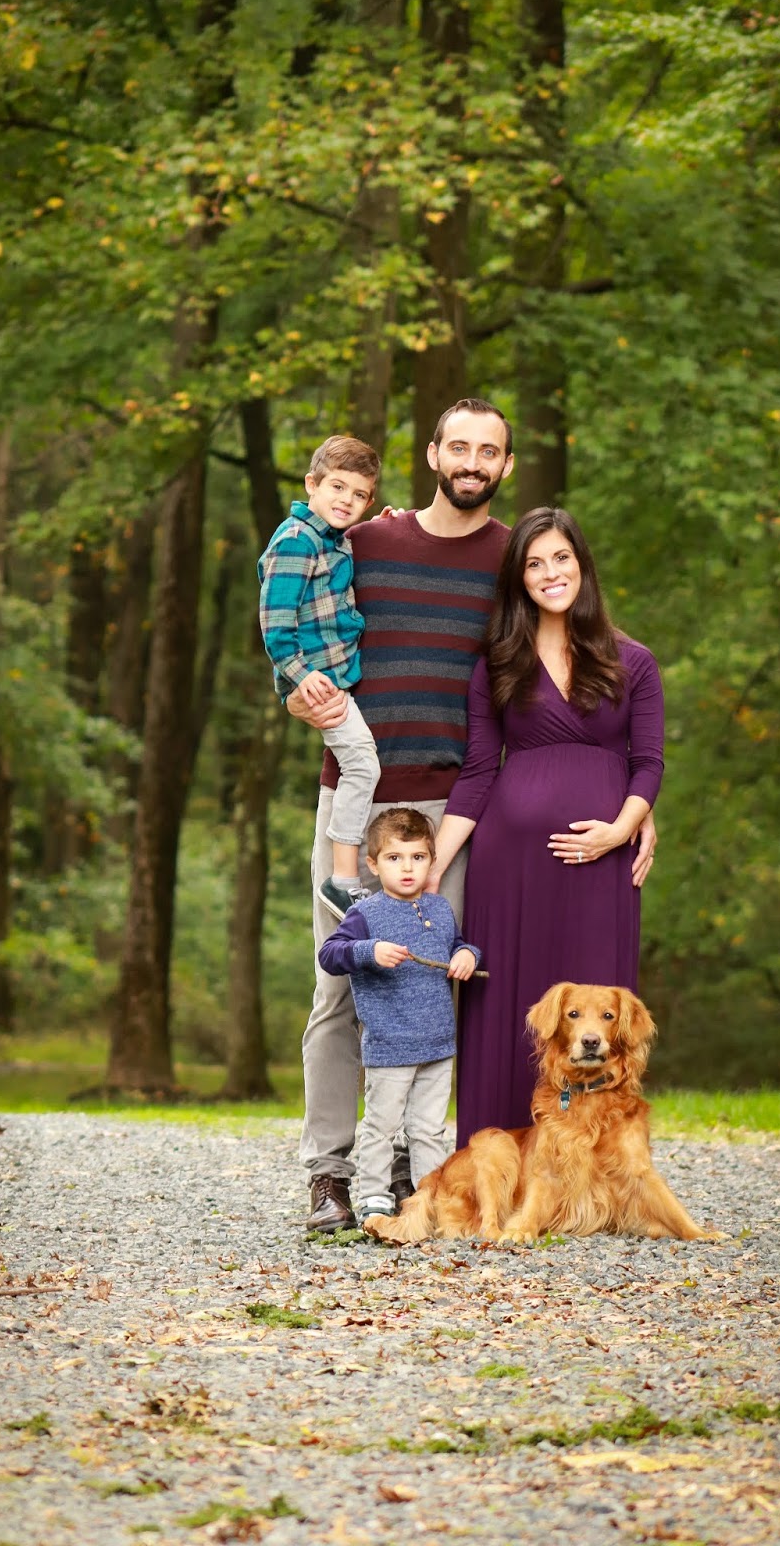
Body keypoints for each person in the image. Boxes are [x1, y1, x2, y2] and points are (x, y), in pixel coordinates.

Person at [289, 411, 658, 1231]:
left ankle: (414, 1165)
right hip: (358, 797)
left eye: (488, 451)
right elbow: (296, 615)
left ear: (506, 464)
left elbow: (588, 674)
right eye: (458, 446)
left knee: (443, 986)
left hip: (459, 808)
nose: (471, 461)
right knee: (343, 987)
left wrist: (637, 811)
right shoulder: (364, 541)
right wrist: (295, 690)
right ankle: (330, 1173)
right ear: (433, 454)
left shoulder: (513, 558)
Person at [428, 507, 664, 1147]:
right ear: (519, 578)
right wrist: (434, 864)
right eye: (534, 564)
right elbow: (479, 771)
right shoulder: (498, 663)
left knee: (597, 1018)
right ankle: (496, 1165)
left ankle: (596, 1169)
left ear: (582, 565)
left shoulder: (633, 662)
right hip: (509, 868)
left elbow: (648, 763)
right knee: (510, 1008)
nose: (550, 573)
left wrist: (620, 830)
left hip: (602, 869)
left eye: (561, 558)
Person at [317, 808, 480, 1222]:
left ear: (431, 861)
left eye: (417, 858)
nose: (407, 868)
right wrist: (368, 951)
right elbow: (330, 954)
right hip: (390, 1047)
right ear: (374, 865)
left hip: (437, 1045)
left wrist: (467, 954)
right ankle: (374, 1197)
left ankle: (430, 1201)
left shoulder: (439, 908)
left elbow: (457, 944)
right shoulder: (366, 915)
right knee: (381, 1126)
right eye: (394, 858)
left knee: (428, 1129)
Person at [257, 436, 382, 920]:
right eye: (337, 487)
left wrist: (385, 523)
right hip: (319, 681)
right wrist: (300, 675)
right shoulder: (297, 540)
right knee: (363, 767)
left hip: (331, 675)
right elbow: (275, 622)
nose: (346, 500)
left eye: (358, 494)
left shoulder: (334, 537)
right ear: (312, 484)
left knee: (360, 765)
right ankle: (342, 879)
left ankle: (344, 876)